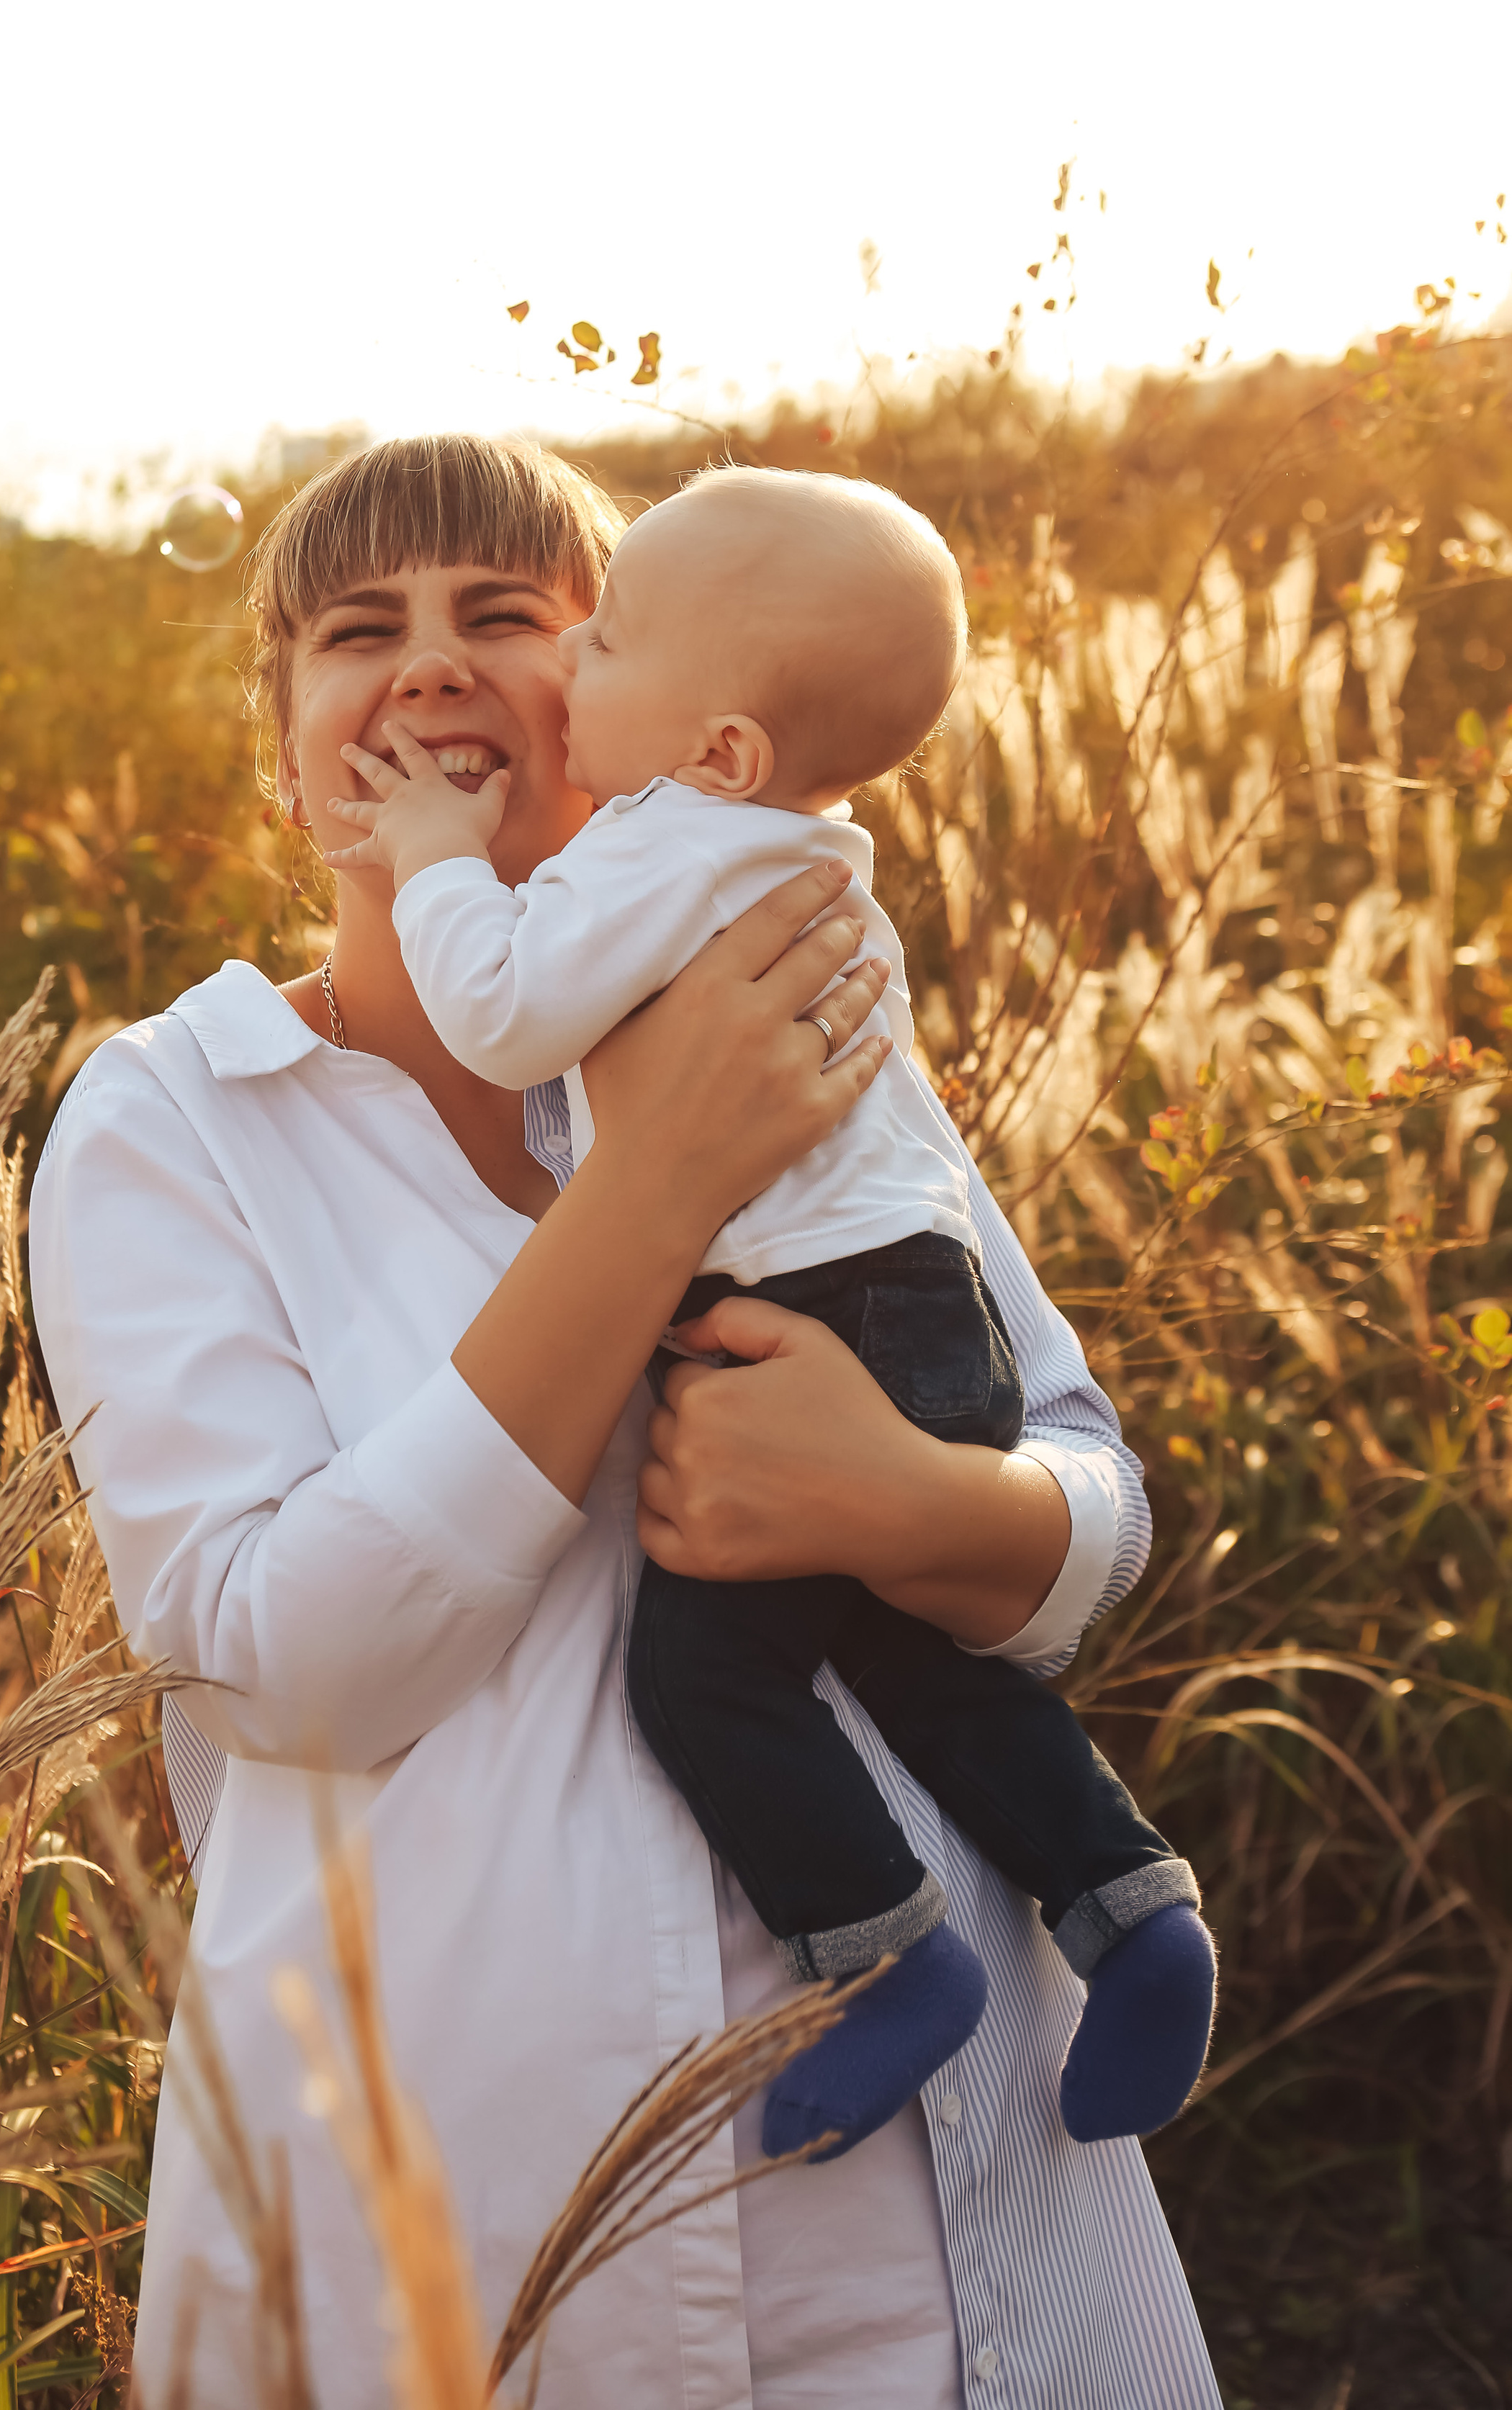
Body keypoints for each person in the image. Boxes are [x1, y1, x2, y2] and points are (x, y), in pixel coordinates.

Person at [28, 435, 1220, 2406]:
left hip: (947, 2201)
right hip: (475, 2212)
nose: (430, 663)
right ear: (287, 753)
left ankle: (1091, 1919)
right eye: (357, 631)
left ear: (641, 722)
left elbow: (1088, 1515)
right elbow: (279, 1671)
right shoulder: (180, 1116)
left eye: (507, 614)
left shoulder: (783, 988)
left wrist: (906, 1499)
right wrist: (653, 1188)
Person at [322, 464, 1214, 2168]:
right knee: (908, 1654)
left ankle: (885, 1959)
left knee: (704, 1677)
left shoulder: (670, 845)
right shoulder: (764, 857)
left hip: (824, 1309)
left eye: (584, 631)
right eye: (362, 634)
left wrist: (434, 852)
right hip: (911, 1304)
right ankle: (1126, 1902)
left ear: (718, 748)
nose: (557, 664)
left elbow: (503, 1015)